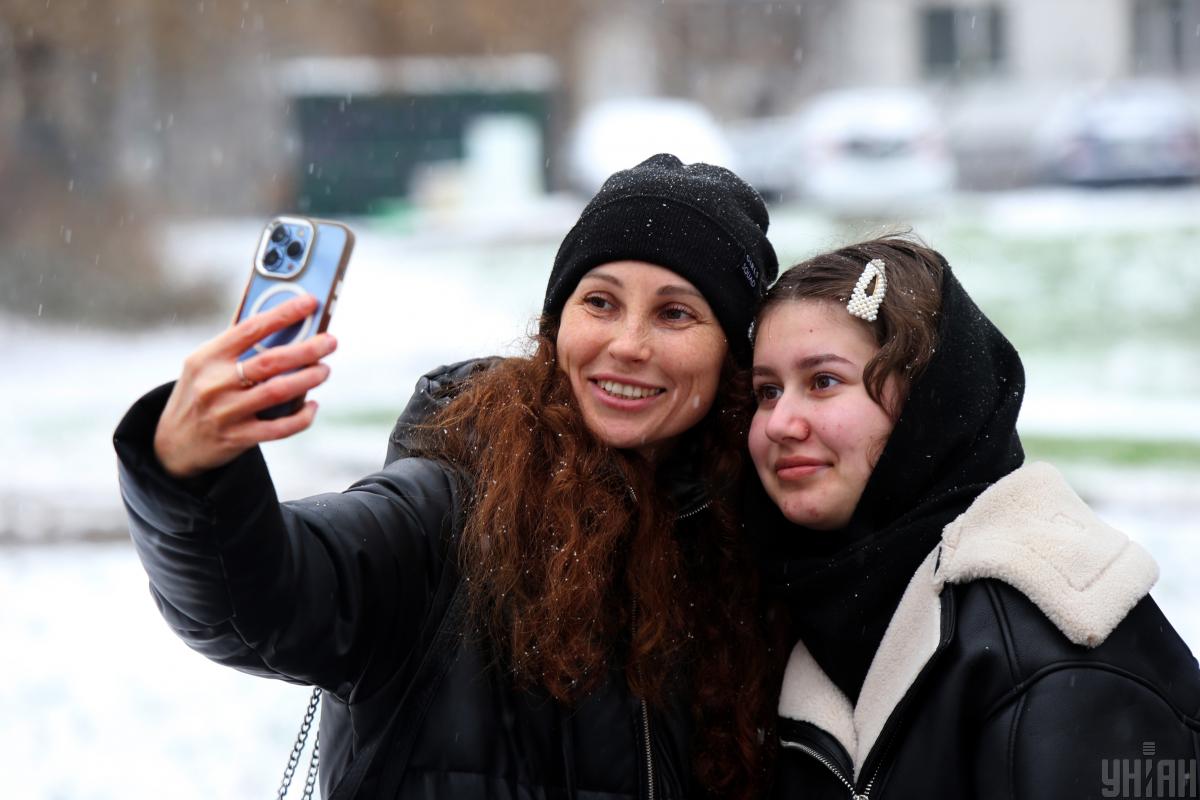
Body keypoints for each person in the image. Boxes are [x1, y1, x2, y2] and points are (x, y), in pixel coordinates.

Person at [114, 153, 783, 799]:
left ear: (732, 353)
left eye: (675, 313)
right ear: (556, 327)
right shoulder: (455, 498)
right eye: (600, 303)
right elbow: (262, 600)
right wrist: (189, 474)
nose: (628, 343)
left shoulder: (765, 535)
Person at [746, 235, 1200, 798]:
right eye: (766, 391)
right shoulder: (806, 615)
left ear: (928, 402)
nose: (779, 423)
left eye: (823, 381)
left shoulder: (1053, 642)